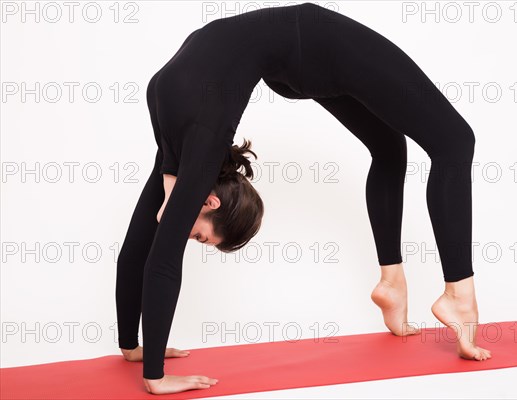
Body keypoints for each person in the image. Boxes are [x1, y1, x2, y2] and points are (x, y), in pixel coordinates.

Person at [115, 2, 491, 395]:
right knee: (417, 145)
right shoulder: (199, 136)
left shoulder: (201, 138)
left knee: (446, 142)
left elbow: (155, 256)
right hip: (289, 57)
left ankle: (447, 294)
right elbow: (152, 247)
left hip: (309, 41)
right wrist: (145, 361)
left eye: (201, 238)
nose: (193, 239)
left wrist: (147, 365)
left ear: (212, 203)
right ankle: (404, 284)